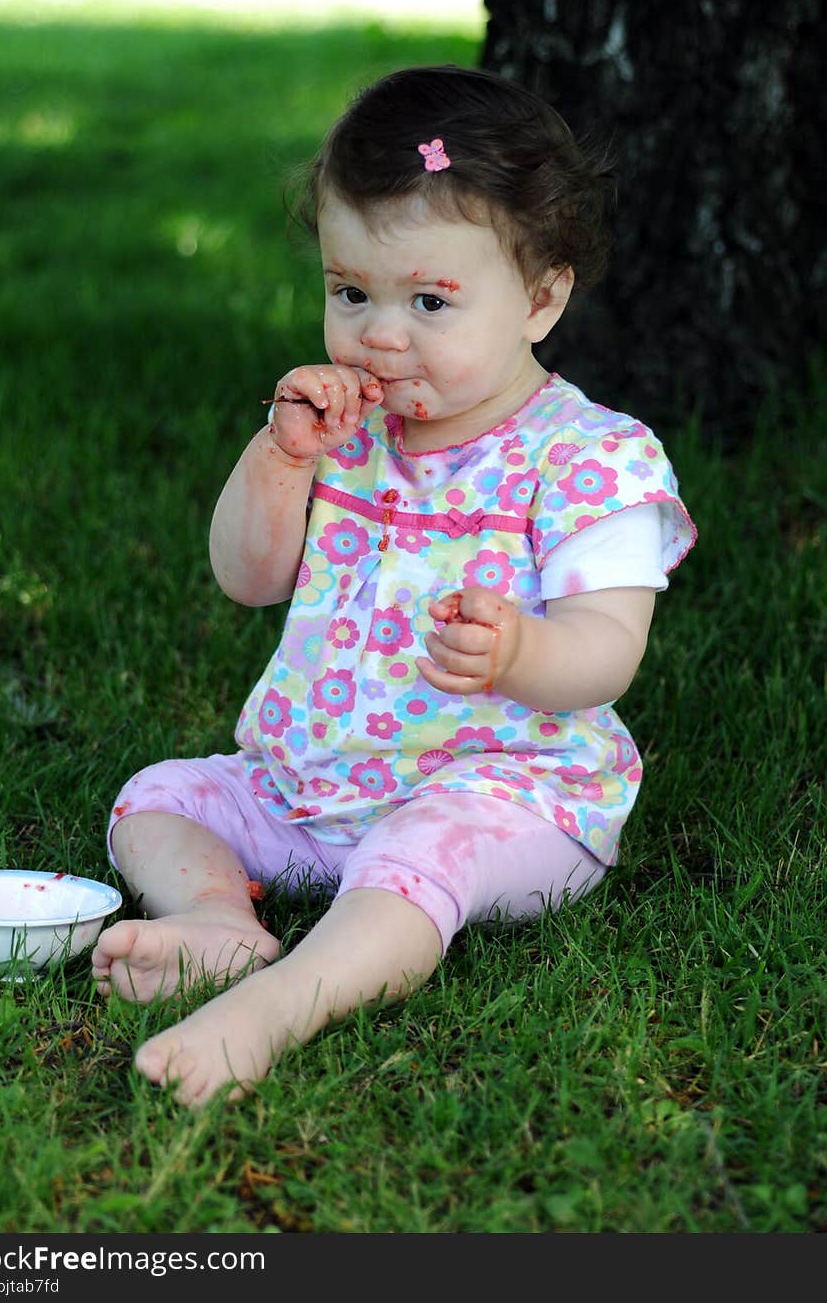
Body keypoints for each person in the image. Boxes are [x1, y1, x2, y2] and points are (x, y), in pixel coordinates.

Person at [92, 64, 696, 1108]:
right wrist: (279, 461)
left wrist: (520, 654)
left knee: (417, 857)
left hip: (502, 795)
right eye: (349, 292)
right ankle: (219, 925)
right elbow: (246, 578)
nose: (379, 333)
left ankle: (280, 1005)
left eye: (428, 301)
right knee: (157, 799)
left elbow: (609, 646)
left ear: (541, 299)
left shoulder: (588, 458)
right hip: (316, 786)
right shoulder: (345, 431)